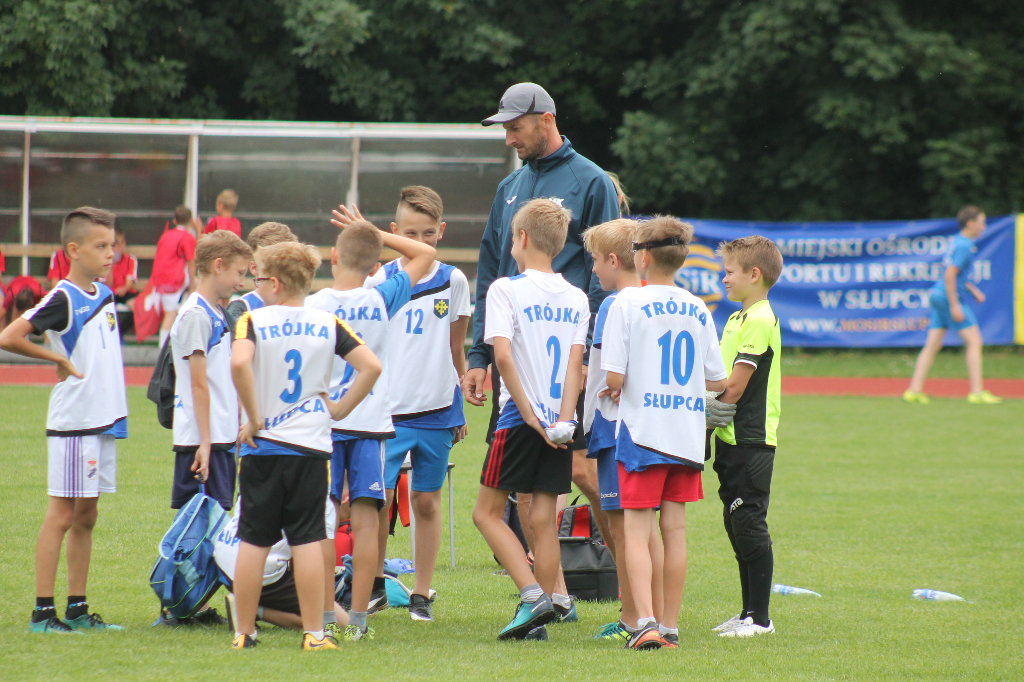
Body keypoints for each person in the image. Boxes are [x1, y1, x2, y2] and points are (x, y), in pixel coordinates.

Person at [466, 81, 621, 581]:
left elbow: (608, 269)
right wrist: (478, 356)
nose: (509, 137)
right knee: (531, 491)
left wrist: (598, 348)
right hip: (518, 366)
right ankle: (555, 597)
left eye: (515, 127)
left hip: (572, 362)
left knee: (585, 474)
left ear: (546, 120)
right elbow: (490, 270)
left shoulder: (591, 181)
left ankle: (632, 581)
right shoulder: (508, 189)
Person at [230, 241, 381, 651]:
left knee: (254, 539)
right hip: (311, 449)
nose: (257, 285)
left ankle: (244, 632)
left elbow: (240, 362)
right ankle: (315, 633)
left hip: (264, 447)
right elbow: (372, 365)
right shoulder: (326, 321)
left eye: (259, 278)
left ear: (274, 282)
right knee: (308, 540)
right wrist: (339, 409)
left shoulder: (251, 319)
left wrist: (254, 414)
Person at [310, 206, 436, 641]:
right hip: (370, 425)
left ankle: (326, 612)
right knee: (367, 523)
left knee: (324, 522)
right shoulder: (381, 295)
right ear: (376, 265)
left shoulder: (314, 304)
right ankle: (359, 619)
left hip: (323, 426)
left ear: (332, 256)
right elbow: (423, 253)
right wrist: (377, 233)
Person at [601, 217, 727, 650]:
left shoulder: (627, 303)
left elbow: (613, 376)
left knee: (636, 531)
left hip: (643, 432)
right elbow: (717, 380)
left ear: (643, 256)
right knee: (675, 530)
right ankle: (670, 626)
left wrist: (617, 385)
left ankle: (645, 624)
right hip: (687, 434)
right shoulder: (698, 307)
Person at [0, 207, 128, 633]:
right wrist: (56, 356)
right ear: (73, 250)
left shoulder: (105, 295)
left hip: (101, 422)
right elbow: (10, 336)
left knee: (87, 515)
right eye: (101, 246)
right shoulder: (63, 297)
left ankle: (76, 608)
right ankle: (42, 612)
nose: (111, 254)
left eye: (112, 245)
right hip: (75, 423)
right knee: (61, 514)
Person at [471, 198, 589, 642]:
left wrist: (529, 416)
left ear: (520, 238)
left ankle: (531, 595)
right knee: (544, 519)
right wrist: (560, 421)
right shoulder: (577, 296)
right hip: (559, 423)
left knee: (486, 514)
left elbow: (502, 355)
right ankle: (546, 610)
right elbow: (576, 365)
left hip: (520, 421)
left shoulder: (505, 289)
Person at [363, 186, 471, 622]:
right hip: (387, 413)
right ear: (393, 233)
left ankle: (422, 592)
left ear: (440, 232)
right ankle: (373, 585)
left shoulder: (455, 280)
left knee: (427, 502)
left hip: (438, 412)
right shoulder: (380, 281)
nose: (421, 241)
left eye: (428, 234)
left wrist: (460, 404)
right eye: (411, 233)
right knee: (380, 501)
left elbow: (456, 349)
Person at [581, 217, 666, 643]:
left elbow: (605, 373)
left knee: (624, 526)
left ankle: (637, 619)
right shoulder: (655, 301)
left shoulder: (616, 305)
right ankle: (650, 616)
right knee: (643, 525)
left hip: (616, 428)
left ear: (614, 260)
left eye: (596, 260)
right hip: (646, 425)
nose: (593, 269)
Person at [708, 235, 785, 639]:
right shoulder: (738, 318)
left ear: (754, 275)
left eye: (730, 272)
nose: (724, 279)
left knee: (749, 521)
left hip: (752, 439)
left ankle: (761, 620)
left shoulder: (759, 319)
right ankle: (747, 613)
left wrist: (703, 413)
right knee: (735, 521)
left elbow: (735, 387)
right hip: (730, 437)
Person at [169, 231, 252, 512]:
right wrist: (204, 442)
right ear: (218, 266)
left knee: (215, 528)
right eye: (239, 272)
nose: (242, 282)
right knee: (197, 532)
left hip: (219, 436)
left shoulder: (216, 312)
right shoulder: (196, 315)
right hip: (203, 441)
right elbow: (198, 385)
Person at [905, 206, 1001, 404]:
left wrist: (972, 290)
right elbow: (950, 274)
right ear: (970, 223)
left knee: (933, 344)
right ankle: (976, 392)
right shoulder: (965, 246)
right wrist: (954, 305)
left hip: (937, 294)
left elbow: (954, 274)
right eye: (981, 222)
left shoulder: (958, 241)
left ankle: (913, 391)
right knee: (974, 341)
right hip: (947, 297)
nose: (984, 227)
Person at [216, 497, 350, 633]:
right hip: (259, 572)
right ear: (345, 498)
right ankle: (251, 609)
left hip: (223, 556)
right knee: (328, 621)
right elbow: (321, 574)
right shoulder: (323, 502)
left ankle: (246, 604)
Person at [224, 222, 298, 330]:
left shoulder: (303, 305)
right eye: (275, 264)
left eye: (288, 262)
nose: (283, 270)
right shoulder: (242, 308)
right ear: (254, 267)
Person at [150, 206, 198, 347]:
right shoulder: (188, 237)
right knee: (171, 314)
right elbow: (191, 263)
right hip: (174, 280)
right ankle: (163, 351)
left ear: (174, 220)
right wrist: (193, 288)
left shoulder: (165, 235)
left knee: (170, 314)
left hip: (160, 280)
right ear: (191, 220)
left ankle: (183, 309)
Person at [106, 227, 138, 336]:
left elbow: (129, 283)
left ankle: (120, 333)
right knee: (108, 308)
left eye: (120, 245)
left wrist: (124, 289)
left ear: (124, 244)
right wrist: (111, 266)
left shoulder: (130, 260)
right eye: (114, 245)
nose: (117, 249)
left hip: (125, 292)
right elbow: (108, 283)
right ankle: (111, 333)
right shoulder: (106, 260)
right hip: (110, 292)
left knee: (136, 308)